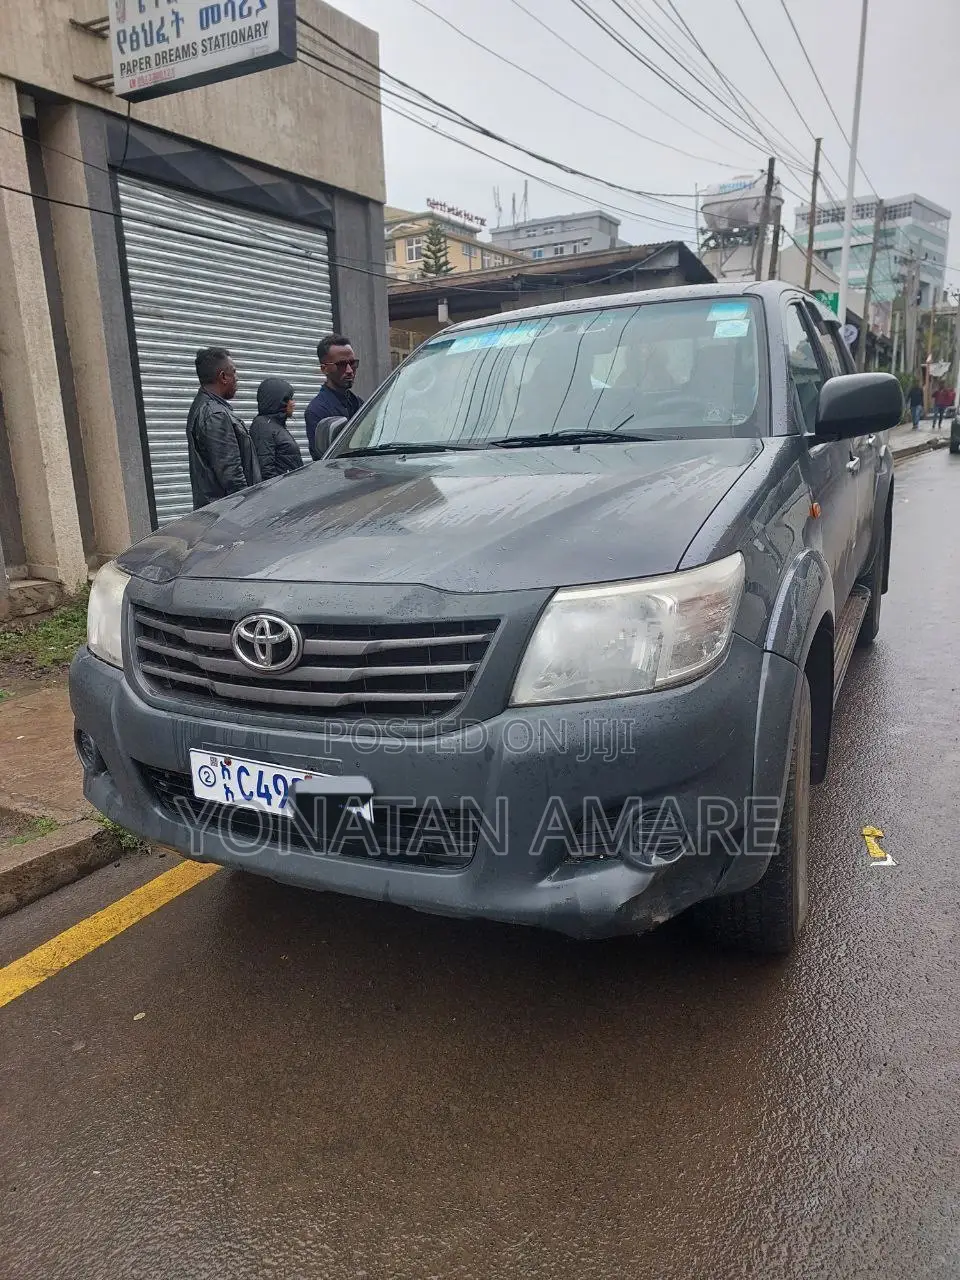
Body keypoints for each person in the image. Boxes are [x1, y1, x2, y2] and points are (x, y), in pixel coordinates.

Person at [186, 347, 260, 508]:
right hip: (228, 514)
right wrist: (250, 509)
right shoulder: (215, 414)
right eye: (234, 372)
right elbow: (232, 476)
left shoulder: (204, 406)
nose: (237, 378)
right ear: (223, 377)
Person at [304, 334, 363, 460]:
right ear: (324, 369)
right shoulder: (317, 410)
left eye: (352, 363)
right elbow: (324, 459)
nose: (349, 370)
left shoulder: (359, 404)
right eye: (341, 364)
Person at [250, 377, 304, 479]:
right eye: (289, 399)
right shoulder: (263, 426)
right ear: (279, 401)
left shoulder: (275, 425)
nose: (293, 403)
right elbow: (266, 469)